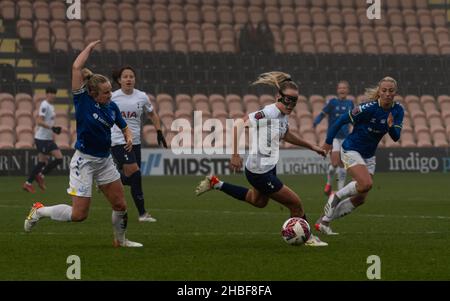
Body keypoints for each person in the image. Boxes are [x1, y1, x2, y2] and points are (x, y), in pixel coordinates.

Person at [24, 40, 142, 247]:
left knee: (120, 204)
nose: (110, 94)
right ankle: (40, 210)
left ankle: (120, 241)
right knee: (79, 215)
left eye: (109, 91)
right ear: (93, 94)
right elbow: (76, 67)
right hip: (84, 161)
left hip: (104, 161)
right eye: (105, 92)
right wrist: (88, 49)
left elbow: (124, 127)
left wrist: (129, 137)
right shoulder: (82, 102)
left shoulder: (112, 107)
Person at [195, 72, 328, 247]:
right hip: (260, 172)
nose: (291, 104)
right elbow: (238, 125)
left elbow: (285, 134)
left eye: (294, 101)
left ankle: (216, 183)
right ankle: (307, 238)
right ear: (278, 96)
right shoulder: (269, 113)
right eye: (288, 99)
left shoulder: (282, 115)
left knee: (257, 201)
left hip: (265, 167)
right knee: (295, 204)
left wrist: (312, 146)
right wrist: (235, 154)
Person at [315, 77, 404, 235]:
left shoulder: (398, 110)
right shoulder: (367, 108)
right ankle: (336, 195)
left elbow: (396, 137)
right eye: (384, 90)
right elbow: (340, 121)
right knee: (366, 184)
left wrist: (390, 127)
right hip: (351, 149)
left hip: (369, 156)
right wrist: (328, 142)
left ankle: (324, 221)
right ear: (379, 91)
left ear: (395, 92)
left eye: (391, 91)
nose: (388, 94)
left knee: (360, 198)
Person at [110, 66, 167, 222]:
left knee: (133, 177)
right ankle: (142, 214)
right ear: (119, 80)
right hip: (118, 141)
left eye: (131, 76)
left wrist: (159, 131)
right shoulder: (113, 97)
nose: (129, 79)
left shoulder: (141, 96)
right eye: (125, 76)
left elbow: (152, 113)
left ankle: (107, 179)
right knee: (135, 173)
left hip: (135, 142)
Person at [313, 81, 354, 196]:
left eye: (344, 88)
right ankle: (329, 183)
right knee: (335, 163)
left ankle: (340, 190)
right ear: (337, 90)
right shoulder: (332, 102)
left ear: (347, 90)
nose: (342, 90)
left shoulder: (350, 103)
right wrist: (315, 122)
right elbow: (322, 114)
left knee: (343, 164)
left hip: (345, 138)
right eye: (340, 88)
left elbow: (355, 118)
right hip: (334, 137)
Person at [22, 86, 63, 193]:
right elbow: (39, 121)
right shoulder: (44, 105)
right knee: (44, 161)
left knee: (57, 159)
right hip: (41, 138)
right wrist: (52, 128)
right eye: (51, 93)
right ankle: (30, 182)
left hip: (47, 139)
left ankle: (35, 179)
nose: (53, 95)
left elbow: (48, 122)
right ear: (47, 94)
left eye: (54, 93)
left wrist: (53, 130)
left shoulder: (51, 106)